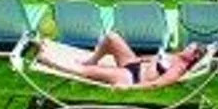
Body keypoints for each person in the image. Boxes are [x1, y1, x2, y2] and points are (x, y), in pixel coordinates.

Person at [36, 32, 205, 90]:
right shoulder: (177, 56)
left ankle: (47, 59)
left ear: (194, 57)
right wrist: (140, 59)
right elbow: (154, 59)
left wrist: (129, 88)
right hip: (134, 64)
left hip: (132, 78)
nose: (186, 48)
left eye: (190, 48)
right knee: (112, 37)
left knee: (85, 72)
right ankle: (91, 60)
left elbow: (156, 84)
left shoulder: (178, 68)